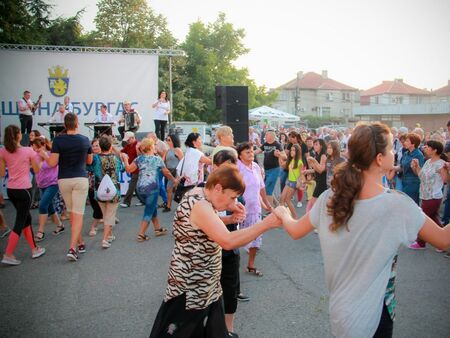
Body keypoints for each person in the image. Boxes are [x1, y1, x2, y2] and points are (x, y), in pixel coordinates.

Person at [274, 122, 450, 338]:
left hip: (341, 314)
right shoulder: (397, 205)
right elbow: (443, 239)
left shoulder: (331, 196)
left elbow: (294, 230)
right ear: (379, 158)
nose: (394, 152)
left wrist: (283, 214)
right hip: (374, 317)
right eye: (390, 149)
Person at [150, 164, 281, 337]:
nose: (234, 203)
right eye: (232, 197)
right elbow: (227, 241)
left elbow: (203, 226)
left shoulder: (202, 193)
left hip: (206, 287)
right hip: (191, 292)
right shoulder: (199, 205)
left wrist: (230, 217)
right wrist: (266, 224)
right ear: (218, 188)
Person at [41, 113, 93, 261]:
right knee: (78, 213)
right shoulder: (84, 140)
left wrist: (44, 155)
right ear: (77, 124)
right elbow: (89, 161)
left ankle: (80, 242)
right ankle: (72, 247)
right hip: (80, 178)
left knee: (72, 213)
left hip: (63, 179)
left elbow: (52, 163)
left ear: (64, 125)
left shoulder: (58, 140)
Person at [0, 125, 45, 265]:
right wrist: (41, 159)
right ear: (19, 135)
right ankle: (8, 253)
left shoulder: (3, 151)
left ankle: (34, 249)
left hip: (11, 190)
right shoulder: (28, 151)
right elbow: (37, 170)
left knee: (26, 219)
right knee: (20, 221)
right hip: (24, 190)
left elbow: (2, 173)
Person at [121, 138, 177, 241]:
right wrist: (174, 180)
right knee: (148, 210)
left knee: (151, 207)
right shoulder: (157, 159)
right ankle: (141, 234)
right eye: (154, 145)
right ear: (151, 147)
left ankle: (157, 228)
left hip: (139, 189)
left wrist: (125, 159)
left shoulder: (139, 159)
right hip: (152, 188)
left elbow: (129, 170)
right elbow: (166, 172)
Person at [237, 142, 272, 277]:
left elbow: (261, 187)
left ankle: (250, 265)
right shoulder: (237, 168)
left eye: (252, 151)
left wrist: (267, 204)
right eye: (247, 152)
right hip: (239, 209)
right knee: (236, 238)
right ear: (240, 155)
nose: (251, 154)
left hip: (255, 208)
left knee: (256, 237)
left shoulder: (256, 167)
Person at [410, 140, 449, 250]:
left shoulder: (441, 164)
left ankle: (421, 242)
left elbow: (446, 180)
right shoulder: (428, 162)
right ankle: (443, 241)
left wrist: (446, 170)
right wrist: (416, 167)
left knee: (422, 219)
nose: (425, 148)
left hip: (433, 196)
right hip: (425, 194)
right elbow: (422, 177)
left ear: (434, 150)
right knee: (433, 218)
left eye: (427, 147)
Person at [90, 135, 122, 249]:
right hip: (114, 190)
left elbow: (89, 168)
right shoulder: (116, 158)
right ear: (110, 145)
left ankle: (109, 234)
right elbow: (121, 169)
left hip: (99, 189)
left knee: (106, 214)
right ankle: (105, 239)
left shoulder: (95, 158)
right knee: (110, 215)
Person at [30, 137, 64, 242]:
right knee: (49, 207)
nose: (36, 150)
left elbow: (53, 164)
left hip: (53, 183)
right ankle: (60, 225)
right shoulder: (34, 156)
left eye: (38, 148)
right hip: (41, 184)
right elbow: (35, 169)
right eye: (34, 148)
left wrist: (44, 156)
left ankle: (40, 231)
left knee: (43, 204)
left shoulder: (51, 154)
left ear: (44, 145)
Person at [256, 130, 286, 208]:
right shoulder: (265, 144)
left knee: (267, 189)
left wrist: (279, 154)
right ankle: (276, 205)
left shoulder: (277, 145)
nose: (265, 136)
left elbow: (285, 157)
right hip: (267, 170)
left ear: (271, 136)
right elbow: (257, 151)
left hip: (274, 169)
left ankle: (270, 210)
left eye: (266, 135)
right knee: (268, 188)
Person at [397, 133, 424, 204]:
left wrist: (414, 168)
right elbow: (401, 167)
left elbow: (419, 173)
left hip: (413, 184)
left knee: (412, 205)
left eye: (407, 141)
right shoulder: (406, 153)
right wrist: (390, 167)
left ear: (413, 144)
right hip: (404, 182)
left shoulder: (418, 155)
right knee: (405, 204)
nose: (404, 143)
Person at [279, 143, 303, 218]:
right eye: (291, 150)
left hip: (293, 183)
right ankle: (283, 216)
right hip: (288, 181)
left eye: (294, 150)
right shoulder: (291, 160)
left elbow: (301, 174)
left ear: (297, 152)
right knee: (282, 198)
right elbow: (282, 165)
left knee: (287, 200)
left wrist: (299, 183)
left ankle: (295, 217)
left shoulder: (299, 162)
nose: (292, 152)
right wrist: (279, 156)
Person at [163, 134, 183, 212]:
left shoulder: (177, 150)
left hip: (176, 171)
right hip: (169, 171)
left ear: (173, 140)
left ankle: (171, 206)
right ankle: (169, 206)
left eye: (169, 140)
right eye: (166, 140)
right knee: (169, 189)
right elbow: (162, 160)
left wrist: (178, 175)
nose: (167, 141)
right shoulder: (167, 150)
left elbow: (182, 162)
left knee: (173, 189)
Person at [87, 139, 103, 236]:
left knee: (99, 204)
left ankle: (94, 227)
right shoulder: (90, 157)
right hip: (91, 183)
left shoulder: (104, 156)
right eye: (93, 146)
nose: (95, 147)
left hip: (103, 184)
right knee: (94, 203)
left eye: (97, 145)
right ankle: (106, 216)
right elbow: (87, 166)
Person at [305, 139, 327, 207]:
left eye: (316, 144)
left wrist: (313, 161)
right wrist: (307, 171)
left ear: (321, 146)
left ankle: (315, 215)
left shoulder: (323, 155)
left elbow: (321, 170)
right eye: (314, 144)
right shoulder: (317, 155)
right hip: (318, 179)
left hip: (322, 180)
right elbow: (316, 169)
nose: (314, 146)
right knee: (319, 201)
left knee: (314, 200)